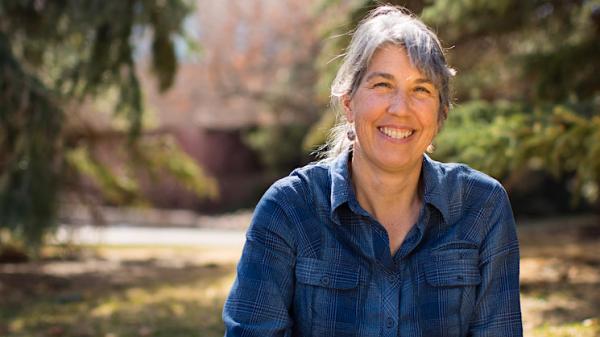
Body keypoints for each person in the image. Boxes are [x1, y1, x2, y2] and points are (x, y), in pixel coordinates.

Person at [223, 5, 522, 337]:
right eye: (382, 85)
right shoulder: (289, 209)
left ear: (440, 115)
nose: (400, 109)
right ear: (349, 103)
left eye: (420, 90)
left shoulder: (482, 207)